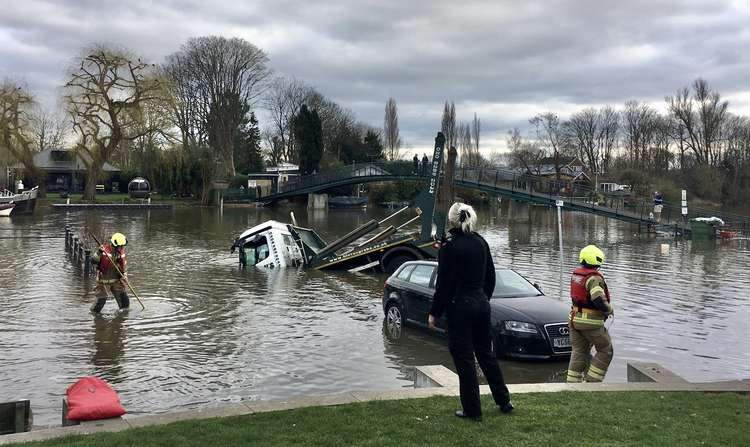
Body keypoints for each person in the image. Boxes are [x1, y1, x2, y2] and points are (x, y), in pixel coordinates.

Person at [428, 202, 513, 421]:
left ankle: (472, 410)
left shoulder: (449, 247)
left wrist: (435, 311)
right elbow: (491, 277)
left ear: (451, 220)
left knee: (464, 358)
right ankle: (504, 401)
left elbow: (444, 285)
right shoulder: (481, 242)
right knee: (486, 355)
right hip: (481, 303)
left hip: (460, 307)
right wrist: (482, 298)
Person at [566, 245, 613, 383]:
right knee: (606, 350)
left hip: (574, 320)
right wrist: (608, 309)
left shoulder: (576, 275)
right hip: (590, 322)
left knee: (578, 351)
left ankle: (572, 384)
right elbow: (598, 298)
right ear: (597, 261)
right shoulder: (594, 278)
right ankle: (593, 383)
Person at [90, 232, 130, 313]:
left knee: (125, 303)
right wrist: (99, 252)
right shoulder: (103, 251)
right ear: (114, 244)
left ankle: (121, 320)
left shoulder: (121, 252)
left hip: (117, 280)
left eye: (122, 246)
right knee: (100, 301)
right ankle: (95, 317)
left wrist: (125, 274)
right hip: (103, 280)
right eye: (120, 246)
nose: (121, 248)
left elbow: (124, 265)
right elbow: (93, 261)